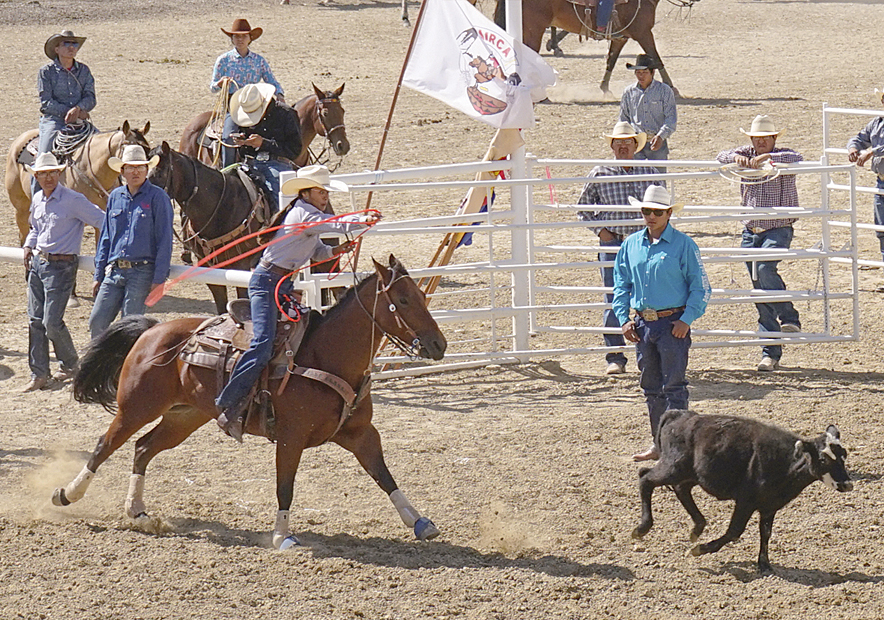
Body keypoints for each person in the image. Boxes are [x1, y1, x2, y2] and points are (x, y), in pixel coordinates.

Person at [215, 165, 380, 441]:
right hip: (268, 283)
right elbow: (333, 225)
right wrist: (362, 220)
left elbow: (317, 251)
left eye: (326, 191)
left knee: (300, 333)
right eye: (319, 191)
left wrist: (336, 250)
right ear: (306, 192)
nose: (324, 195)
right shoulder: (304, 213)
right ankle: (228, 400)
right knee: (263, 344)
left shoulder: (307, 215)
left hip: (281, 284)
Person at [612, 185, 710, 461]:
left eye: (656, 212)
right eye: (646, 211)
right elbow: (621, 284)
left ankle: (676, 446)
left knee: (674, 386)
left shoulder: (684, 245)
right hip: (644, 324)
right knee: (651, 385)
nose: (651, 216)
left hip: (671, 324)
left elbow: (700, 287)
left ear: (668, 213)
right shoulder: (630, 245)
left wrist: (686, 319)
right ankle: (661, 444)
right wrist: (624, 318)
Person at [716, 115, 803, 372]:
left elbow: (797, 158)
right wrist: (736, 159)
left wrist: (768, 159)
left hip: (778, 228)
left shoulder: (782, 155)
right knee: (759, 288)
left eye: (766, 138)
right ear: (752, 139)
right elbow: (721, 155)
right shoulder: (745, 153)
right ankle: (771, 350)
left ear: (774, 139)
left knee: (764, 270)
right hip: (751, 229)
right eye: (757, 138)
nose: (761, 142)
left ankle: (788, 317)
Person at [577, 121, 662, 376]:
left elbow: (662, 205)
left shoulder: (649, 172)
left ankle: (645, 353)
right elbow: (583, 207)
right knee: (614, 298)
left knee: (646, 296)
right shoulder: (600, 172)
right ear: (612, 146)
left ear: (635, 146)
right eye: (619, 143)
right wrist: (600, 231)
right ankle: (615, 356)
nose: (623, 147)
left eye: (627, 143)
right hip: (613, 241)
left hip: (642, 241)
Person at [21, 153, 104, 392]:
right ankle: (39, 373)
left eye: (52, 172)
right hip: (39, 263)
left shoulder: (73, 200)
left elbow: (102, 220)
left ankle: (71, 364)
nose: (48, 177)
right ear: (36, 176)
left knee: (51, 323)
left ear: (58, 174)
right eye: (43, 174)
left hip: (62, 267)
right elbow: (35, 228)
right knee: (35, 320)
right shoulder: (37, 199)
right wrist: (28, 244)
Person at [89, 146, 174, 339]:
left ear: (147, 170)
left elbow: (165, 240)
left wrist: (159, 279)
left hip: (142, 272)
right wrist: (99, 273)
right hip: (115, 270)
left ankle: (122, 368)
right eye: (130, 167)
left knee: (129, 327)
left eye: (140, 167)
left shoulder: (158, 198)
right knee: (97, 321)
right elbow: (106, 238)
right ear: (122, 171)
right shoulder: (115, 197)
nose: (135, 172)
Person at [211, 19, 285, 168]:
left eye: (244, 36)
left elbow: (271, 81)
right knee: (228, 137)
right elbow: (213, 87)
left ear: (250, 38)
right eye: (236, 36)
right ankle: (228, 170)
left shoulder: (259, 61)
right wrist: (220, 83)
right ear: (231, 39)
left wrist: (280, 94)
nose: (240, 40)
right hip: (233, 107)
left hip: (256, 104)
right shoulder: (223, 60)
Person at [35, 30, 95, 193]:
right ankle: (36, 200)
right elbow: (46, 102)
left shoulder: (84, 70)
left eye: (74, 44)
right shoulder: (46, 72)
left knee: (103, 147)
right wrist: (69, 112)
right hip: (54, 121)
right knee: (43, 157)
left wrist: (79, 109)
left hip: (80, 120)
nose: (71, 47)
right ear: (56, 49)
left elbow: (90, 96)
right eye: (66, 44)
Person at [227, 83, 302, 205]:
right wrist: (243, 141)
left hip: (277, 164)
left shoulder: (287, 114)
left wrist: (263, 143)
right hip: (248, 163)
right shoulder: (248, 114)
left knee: (281, 202)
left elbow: (294, 150)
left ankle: (284, 222)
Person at [847, 87, 884, 268]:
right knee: (882, 231)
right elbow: (859, 137)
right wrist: (853, 147)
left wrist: (871, 151)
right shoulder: (877, 123)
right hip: (881, 181)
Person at [619, 54, 677, 162]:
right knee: (634, 177)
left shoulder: (664, 91)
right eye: (638, 73)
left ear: (652, 73)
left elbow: (671, 119)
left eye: (644, 72)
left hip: (657, 142)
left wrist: (661, 136)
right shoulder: (629, 92)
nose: (641, 76)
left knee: (658, 178)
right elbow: (623, 119)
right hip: (635, 143)